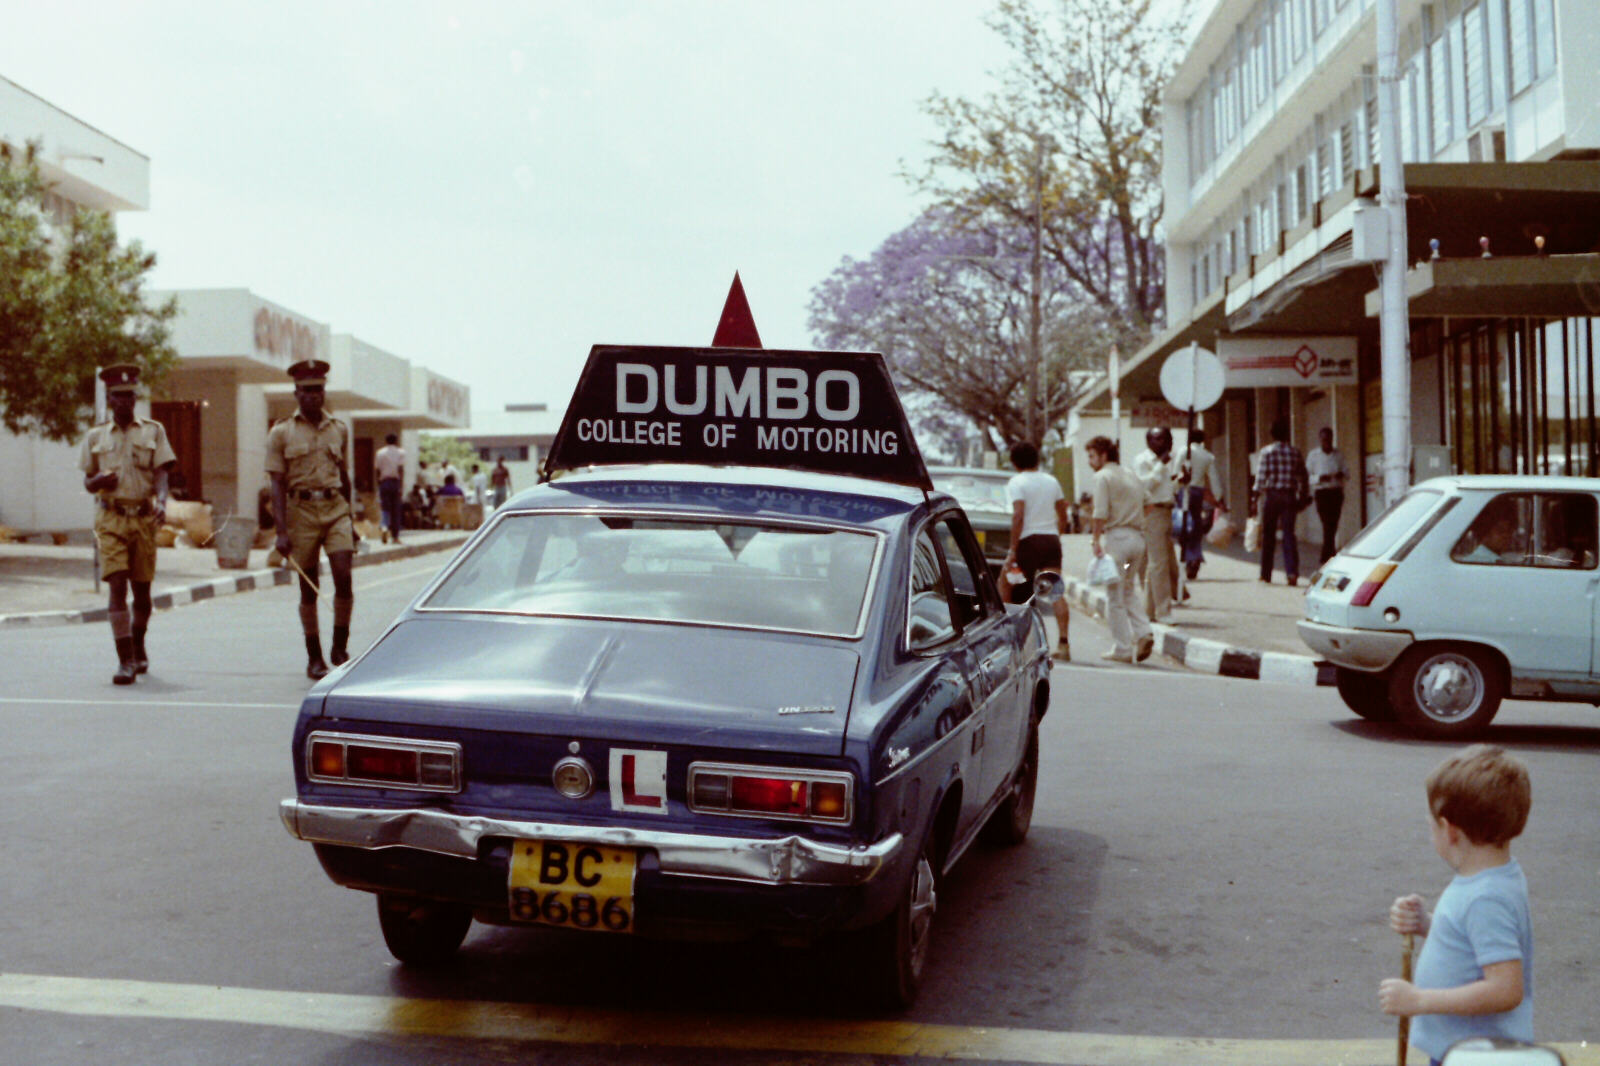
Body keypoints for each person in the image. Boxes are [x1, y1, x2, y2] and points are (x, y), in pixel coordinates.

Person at [1379, 745, 1534, 1063]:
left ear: (1449, 831)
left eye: (1431, 825)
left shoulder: (1485, 897)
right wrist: (1426, 924)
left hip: (1475, 1054)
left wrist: (1419, 1000)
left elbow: (1506, 989)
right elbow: (1473, 943)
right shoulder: (1492, 878)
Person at [79, 364, 177, 685]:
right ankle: (124, 661)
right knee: (117, 585)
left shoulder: (153, 431)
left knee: (143, 593)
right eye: (117, 396)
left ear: (135, 397)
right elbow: (88, 483)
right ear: (109, 398)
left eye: (129, 396)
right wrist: (99, 480)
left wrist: (162, 501)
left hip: (143, 519)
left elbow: (162, 472)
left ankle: (138, 644)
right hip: (110, 519)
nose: (123, 402)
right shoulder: (95, 436)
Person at [267, 359, 356, 681]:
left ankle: (340, 647)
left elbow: (344, 476)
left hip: (335, 509)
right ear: (296, 393)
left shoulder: (339, 429)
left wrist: (353, 520)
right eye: (306, 390)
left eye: (317, 389)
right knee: (309, 588)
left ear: (324, 391)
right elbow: (276, 484)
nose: (312, 396)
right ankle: (314, 656)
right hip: (301, 513)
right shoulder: (281, 433)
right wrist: (280, 532)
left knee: (344, 574)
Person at [1001, 442, 1071, 661]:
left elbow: (1018, 515)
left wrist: (1013, 549)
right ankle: (1064, 643)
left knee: (1005, 583)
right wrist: (1056, 534)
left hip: (1028, 541)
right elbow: (1063, 511)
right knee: (1055, 591)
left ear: (1014, 462)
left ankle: (1005, 635)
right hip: (1050, 540)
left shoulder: (1017, 482)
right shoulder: (1051, 481)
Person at [1087, 435, 1154, 664]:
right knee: (1127, 589)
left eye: (1092, 455)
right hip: (1137, 541)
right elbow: (1150, 504)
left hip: (1117, 542)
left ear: (1104, 455)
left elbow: (1100, 513)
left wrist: (1095, 541)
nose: (1090, 461)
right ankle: (1144, 632)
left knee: (1114, 595)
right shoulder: (1131, 474)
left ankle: (1123, 648)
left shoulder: (1102, 477)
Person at [1132, 427, 1181, 620]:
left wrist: (1178, 481)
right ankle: (1164, 611)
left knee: (1160, 563)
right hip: (1153, 512)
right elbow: (1144, 487)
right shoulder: (1142, 461)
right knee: (1158, 564)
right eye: (1159, 439)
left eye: (1167, 439)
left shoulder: (1168, 462)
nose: (1165, 443)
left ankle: (1149, 610)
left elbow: (1164, 487)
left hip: (1167, 510)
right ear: (1149, 441)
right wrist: (1160, 466)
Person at [1254, 418, 1310, 585]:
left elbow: (1261, 477)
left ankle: (1266, 574)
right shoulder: (1295, 452)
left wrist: (1254, 498)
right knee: (1289, 535)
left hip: (1272, 496)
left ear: (1272, 434)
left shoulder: (1266, 452)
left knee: (1268, 535)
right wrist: (1303, 496)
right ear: (1287, 434)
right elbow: (1303, 476)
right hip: (1289, 496)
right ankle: (1292, 573)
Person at [1176, 429, 1227, 580]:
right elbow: (1214, 478)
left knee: (1183, 525)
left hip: (1183, 491)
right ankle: (1195, 556)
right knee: (1196, 526)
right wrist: (1219, 498)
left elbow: (1175, 472)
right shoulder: (1207, 456)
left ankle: (1189, 556)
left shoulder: (1183, 451)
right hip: (1197, 492)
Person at [1307, 426, 1348, 563]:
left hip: (1336, 492)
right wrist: (1319, 478)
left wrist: (1341, 474)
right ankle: (1328, 554)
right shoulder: (1313, 456)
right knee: (1326, 523)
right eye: (1324, 439)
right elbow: (1307, 476)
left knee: (1334, 523)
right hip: (1322, 492)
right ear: (1320, 439)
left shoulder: (1338, 455)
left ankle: (1329, 554)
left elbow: (1347, 473)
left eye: (1329, 439)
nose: (1326, 442)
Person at [374, 433, 406, 545]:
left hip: (384, 482)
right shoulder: (400, 452)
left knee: (385, 507)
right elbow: (401, 469)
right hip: (394, 482)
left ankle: (384, 526)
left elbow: (377, 470)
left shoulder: (380, 453)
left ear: (386, 441)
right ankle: (395, 537)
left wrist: (378, 483)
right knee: (395, 510)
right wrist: (401, 486)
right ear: (396, 441)